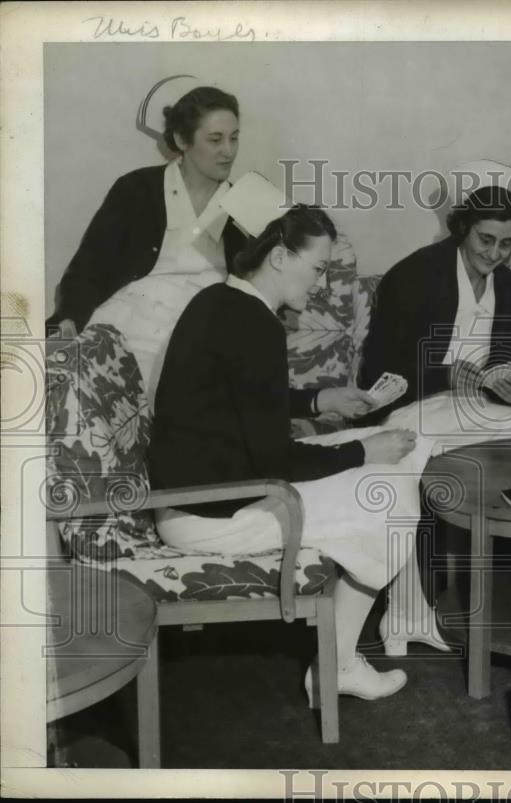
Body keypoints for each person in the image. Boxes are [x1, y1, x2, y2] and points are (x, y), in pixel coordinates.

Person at [148, 205, 421, 700]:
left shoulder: (220, 302)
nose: (320, 283)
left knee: (385, 473)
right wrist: (365, 449)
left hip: (197, 493)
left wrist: (319, 400)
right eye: (318, 268)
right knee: (386, 497)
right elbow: (276, 460)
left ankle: (341, 658)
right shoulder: (256, 326)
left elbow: (239, 399)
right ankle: (339, 666)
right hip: (214, 509)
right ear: (278, 256)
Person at [48, 86, 249, 406]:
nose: (229, 151)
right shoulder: (136, 189)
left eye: (234, 137)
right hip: (127, 330)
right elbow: (89, 268)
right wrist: (68, 317)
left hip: (194, 340)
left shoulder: (246, 204)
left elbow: (268, 284)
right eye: (215, 139)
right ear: (182, 141)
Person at [358, 184, 511, 416]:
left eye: (506, 244)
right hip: (416, 408)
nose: (494, 254)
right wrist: (444, 376)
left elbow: (506, 361)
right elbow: (377, 369)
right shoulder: (414, 274)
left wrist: (510, 387)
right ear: (463, 227)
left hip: (484, 409)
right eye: (485, 239)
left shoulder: (508, 284)